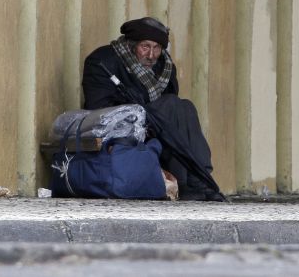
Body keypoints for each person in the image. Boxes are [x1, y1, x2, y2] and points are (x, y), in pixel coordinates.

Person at [81, 17, 223, 201]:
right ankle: (198, 180)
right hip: (122, 127)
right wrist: (135, 108)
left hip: (158, 126)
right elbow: (98, 106)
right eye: (145, 46)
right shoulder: (102, 60)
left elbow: (173, 106)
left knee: (184, 107)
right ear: (132, 45)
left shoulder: (165, 65)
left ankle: (198, 179)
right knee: (173, 106)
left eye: (157, 48)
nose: (151, 55)